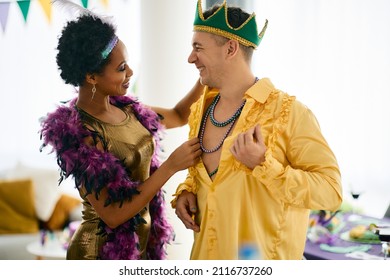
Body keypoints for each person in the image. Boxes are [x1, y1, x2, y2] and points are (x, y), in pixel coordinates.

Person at [172, 0, 343, 260]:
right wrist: (188, 189)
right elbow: (212, 177)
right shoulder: (200, 111)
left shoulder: (289, 113)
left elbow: (331, 192)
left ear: (230, 48)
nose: (190, 57)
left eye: (198, 47)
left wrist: (264, 164)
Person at [39, 9, 203, 260]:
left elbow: (179, 115)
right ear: (91, 77)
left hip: (141, 246)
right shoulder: (78, 133)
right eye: (121, 68)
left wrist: (207, 75)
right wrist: (170, 166)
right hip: (100, 254)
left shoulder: (128, 110)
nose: (131, 73)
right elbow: (113, 215)